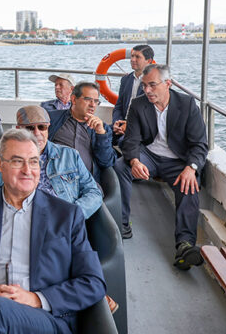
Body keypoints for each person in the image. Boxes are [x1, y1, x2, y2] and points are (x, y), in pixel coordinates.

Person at [0, 129, 106, 334]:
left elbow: (92, 282)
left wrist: (37, 299)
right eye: (17, 161)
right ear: (0, 164)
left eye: (33, 161)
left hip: (44, 318)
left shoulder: (66, 215)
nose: (27, 170)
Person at [115, 64, 207, 269]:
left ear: (168, 84)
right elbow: (131, 140)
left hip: (178, 161)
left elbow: (200, 144)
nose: (147, 90)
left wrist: (191, 168)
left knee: (190, 184)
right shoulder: (138, 105)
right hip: (150, 155)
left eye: (152, 85)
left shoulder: (187, 104)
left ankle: (184, 245)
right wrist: (134, 160)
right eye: (145, 85)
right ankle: (122, 225)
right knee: (120, 167)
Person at [0, 105, 102, 220]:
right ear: (19, 130)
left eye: (42, 127)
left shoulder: (70, 155)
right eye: (30, 128)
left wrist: (72, 214)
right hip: (22, 220)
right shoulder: (9, 157)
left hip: (62, 222)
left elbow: (93, 192)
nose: (37, 133)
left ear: (48, 128)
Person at [47, 82, 115, 182]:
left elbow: (106, 162)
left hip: (87, 184)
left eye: (96, 101)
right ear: (74, 99)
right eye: (88, 100)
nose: (92, 105)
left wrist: (100, 133)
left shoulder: (102, 128)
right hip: (55, 179)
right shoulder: (52, 119)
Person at [112, 45, 154, 144]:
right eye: (132, 56)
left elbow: (153, 111)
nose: (132, 60)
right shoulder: (126, 79)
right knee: (99, 134)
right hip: (122, 123)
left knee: (124, 142)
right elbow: (118, 106)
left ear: (148, 61)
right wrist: (117, 123)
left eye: (137, 57)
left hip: (141, 127)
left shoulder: (154, 82)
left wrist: (129, 125)